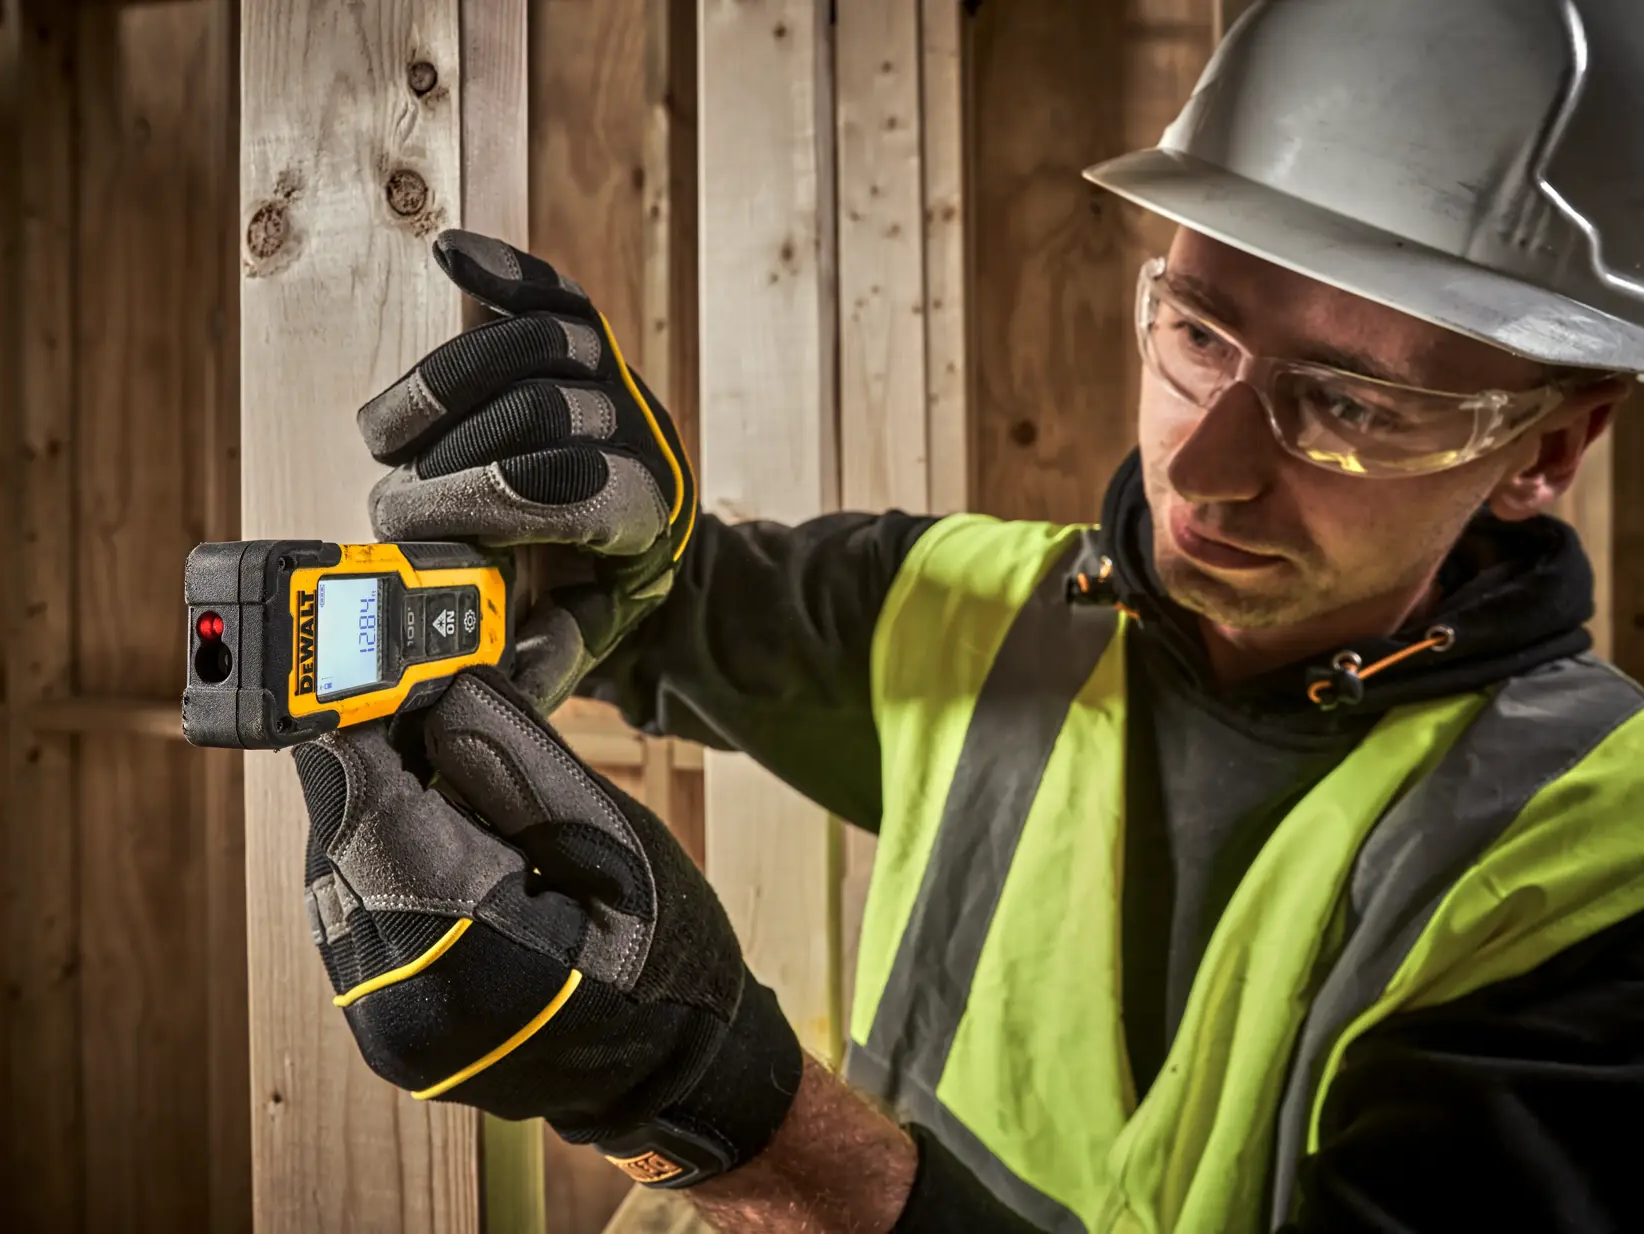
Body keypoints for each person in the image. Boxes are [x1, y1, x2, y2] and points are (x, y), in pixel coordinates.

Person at [292, 1, 1644, 1230]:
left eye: (1348, 402)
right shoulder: (980, 609)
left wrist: (723, 1109)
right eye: (1196, 334)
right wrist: (598, 534)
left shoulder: (1600, 865)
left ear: (1547, 448)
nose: (1204, 466)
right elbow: (655, 612)